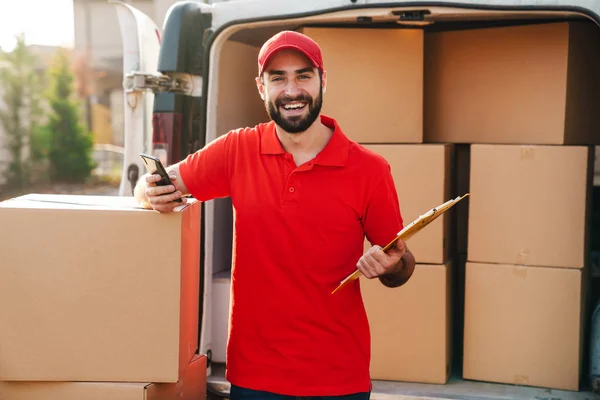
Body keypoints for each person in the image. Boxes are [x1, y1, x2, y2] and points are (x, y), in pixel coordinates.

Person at [134, 30, 416, 400]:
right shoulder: (238, 149)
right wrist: (149, 193)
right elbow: (153, 184)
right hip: (255, 375)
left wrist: (391, 266)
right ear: (261, 87)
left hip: (339, 377)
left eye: (303, 75)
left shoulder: (369, 170)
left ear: (322, 81)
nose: (292, 90)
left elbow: (402, 264)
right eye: (278, 78)